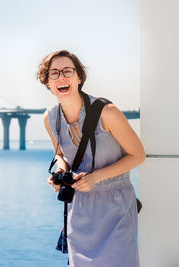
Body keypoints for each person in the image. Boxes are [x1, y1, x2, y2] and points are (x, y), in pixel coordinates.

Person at [37, 50, 145, 267]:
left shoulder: (107, 112)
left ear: (79, 77)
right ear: (47, 82)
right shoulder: (51, 118)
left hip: (116, 207)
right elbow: (60, 154)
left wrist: (96, 178)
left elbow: (137, 155)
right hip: (80, 210)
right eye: (54, 73)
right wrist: (59, 172)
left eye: (68, 71)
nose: (61, 77)